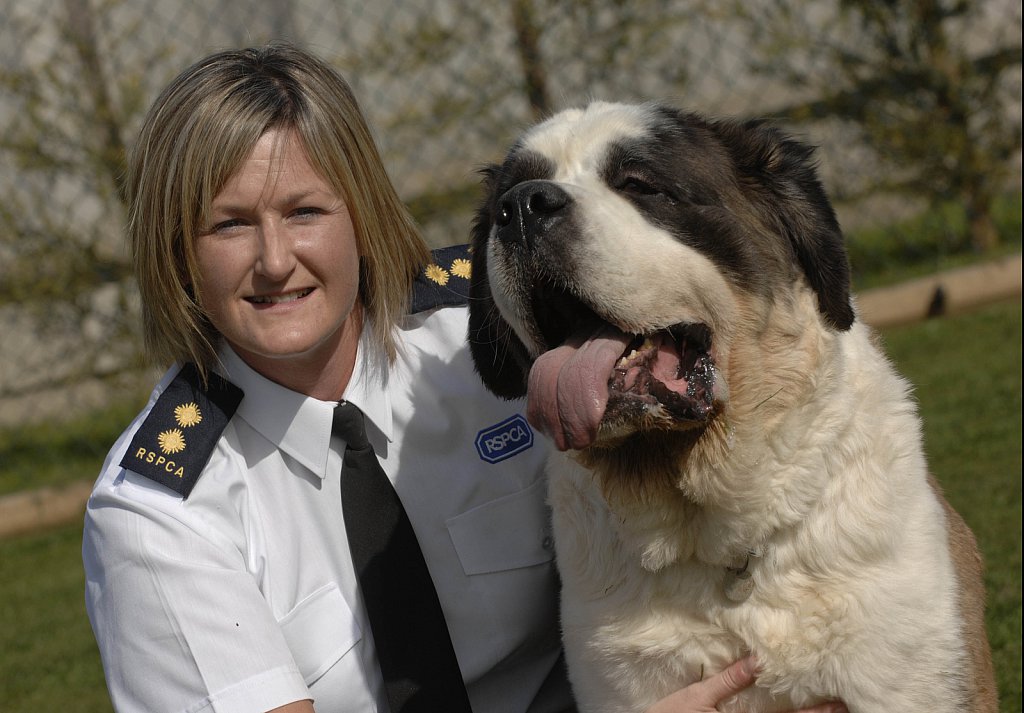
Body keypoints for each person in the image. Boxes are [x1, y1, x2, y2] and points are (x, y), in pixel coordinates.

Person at [82, 42, 846, 713]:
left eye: (305, 210)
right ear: (176, 251)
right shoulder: (159, 517)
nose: (276, 259)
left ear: (363, 212)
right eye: (230, 224)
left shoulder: (491, 334)